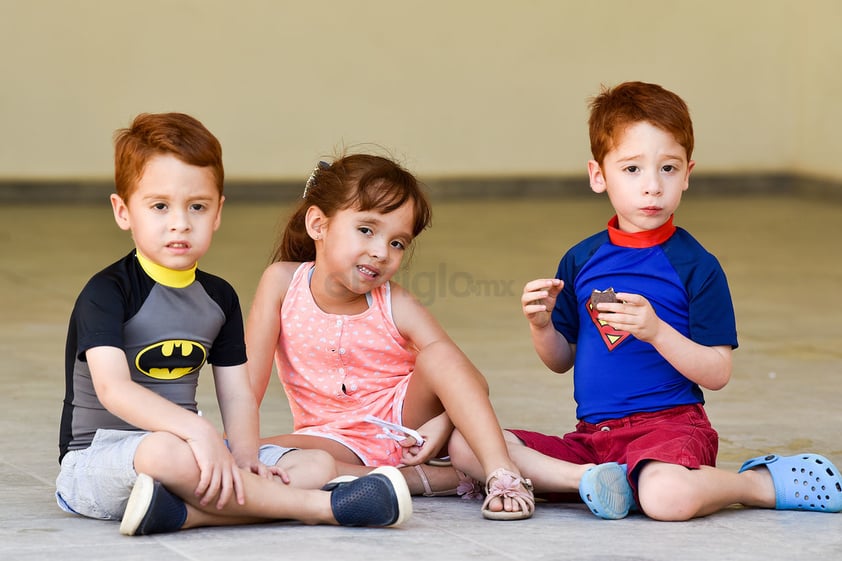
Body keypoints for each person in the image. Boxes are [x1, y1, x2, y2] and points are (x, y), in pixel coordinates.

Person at [449, 81, 842, 521]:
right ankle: (590, 481)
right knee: (468, 444)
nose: (652, 186)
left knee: (666, 497)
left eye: (668, 169)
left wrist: (656, 331)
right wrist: (541, 326)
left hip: (671, 430)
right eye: (632, 169)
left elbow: (717, 372)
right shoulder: (581, 259)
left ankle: (757, 484)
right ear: (599, 176)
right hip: (594, 440)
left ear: (688, 173)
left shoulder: (696, 266)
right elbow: (563, 359)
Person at [56, 113, 412, 536]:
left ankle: (184, 512)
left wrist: (245, 458)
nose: (180, 223)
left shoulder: (218, 297)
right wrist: (198, 431)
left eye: (198, 207)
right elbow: (114, 389)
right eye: (159, 206)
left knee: (313, 462)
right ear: (123, 211)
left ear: (218, 212)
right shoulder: (107, 291)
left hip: (190, 450)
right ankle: (321, 508)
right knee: (165, 453)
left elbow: (238, 393)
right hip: (99, 461)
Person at [246, 153, 534, 520]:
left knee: (438, 355)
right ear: (319, 224)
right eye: (366, 230)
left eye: (398, 243)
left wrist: (442, 423)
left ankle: (501, 472)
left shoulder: (395, 302)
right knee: (250, 455)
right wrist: (236, 449)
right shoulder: (281, 283)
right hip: (331, 438)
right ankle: (424, 479)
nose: (381, 252)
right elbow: (248, 386)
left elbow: (467, 377)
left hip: (405, 424)